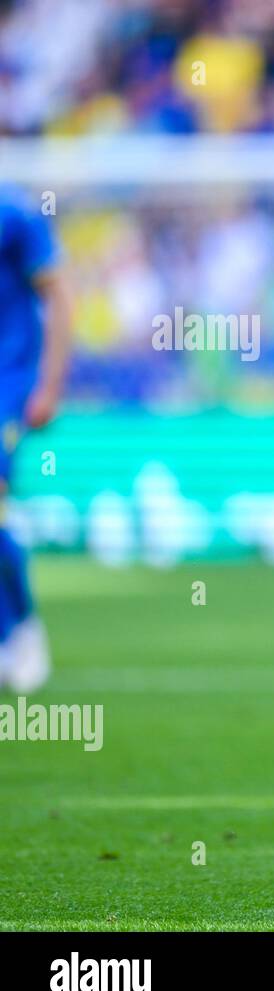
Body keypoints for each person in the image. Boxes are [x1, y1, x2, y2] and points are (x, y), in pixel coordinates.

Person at [0, 186, 71, 694]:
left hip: (7, 383)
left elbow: (59, 294)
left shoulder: (15, 213)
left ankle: (22, 628)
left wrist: (49, 383)